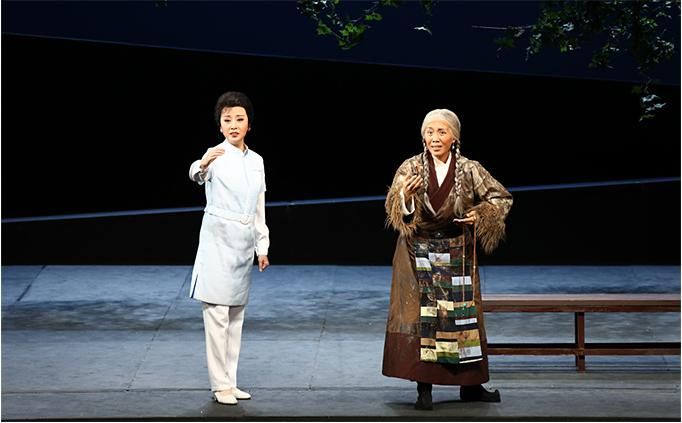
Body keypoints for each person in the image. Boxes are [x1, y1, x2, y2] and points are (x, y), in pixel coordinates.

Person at [382, 108, 512, 410]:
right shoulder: (412, 167)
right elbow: (394, 206)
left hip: (457, 250)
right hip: (417, 252)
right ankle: (424, 388)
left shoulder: (469, 169)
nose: (435, 138)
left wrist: (480, 214)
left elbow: (501, 198)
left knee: (462, 317)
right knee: (424, 318)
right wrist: (406, 197)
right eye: (429, 132)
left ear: (455, 137)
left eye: (442, 132)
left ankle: (471, 385)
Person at [188, 91, 270, 405]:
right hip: (217, 241)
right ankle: (219, 384)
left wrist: (262, 246)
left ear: (249, 124)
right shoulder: (215, 155)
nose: (233, 125)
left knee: (235, 316)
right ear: (220, 125)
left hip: (243, 244)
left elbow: (259, 206)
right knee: (217, 314)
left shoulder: (257, 161)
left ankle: (230, 381)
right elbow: (196, 173)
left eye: (239, 119)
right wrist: (202, 163)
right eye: (227, 120)